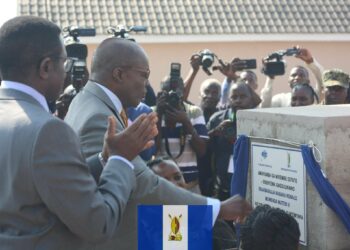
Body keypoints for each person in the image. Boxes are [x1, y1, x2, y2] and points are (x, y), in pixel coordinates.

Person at [64, 38, 252, 250]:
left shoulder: (89, 102)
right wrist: (218, 208)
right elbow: (141, 183)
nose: (146, 84)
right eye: (144, 75)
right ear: (118, 74)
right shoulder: (98, 116)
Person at [0, 16, 158, 250]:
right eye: (65, 63)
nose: (68, 72)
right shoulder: (48, 130)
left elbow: (38, 182)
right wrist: (120, 160)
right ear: (45, 67)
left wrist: (104, 159)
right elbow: (98, 224)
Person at [208, 82, 261, 200]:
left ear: (251, 99)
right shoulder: (217, 119)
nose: (238, 100)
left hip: (251, 185)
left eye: (243, 97)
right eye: (234, 97)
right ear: (228, 99)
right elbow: (204, 150)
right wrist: (215, 131)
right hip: (222, 186)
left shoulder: (259, 120)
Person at [155, 75, 208, 193]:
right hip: (162, 186)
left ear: (184, 91)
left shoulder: (194, 112)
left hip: (190, 186)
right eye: (168, 91)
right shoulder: (153, 112)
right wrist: (159, 113)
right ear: (161, 93)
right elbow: (152, 149)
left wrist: (186, 122)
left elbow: (202, 150)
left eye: (176, 91)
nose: (172, 95)